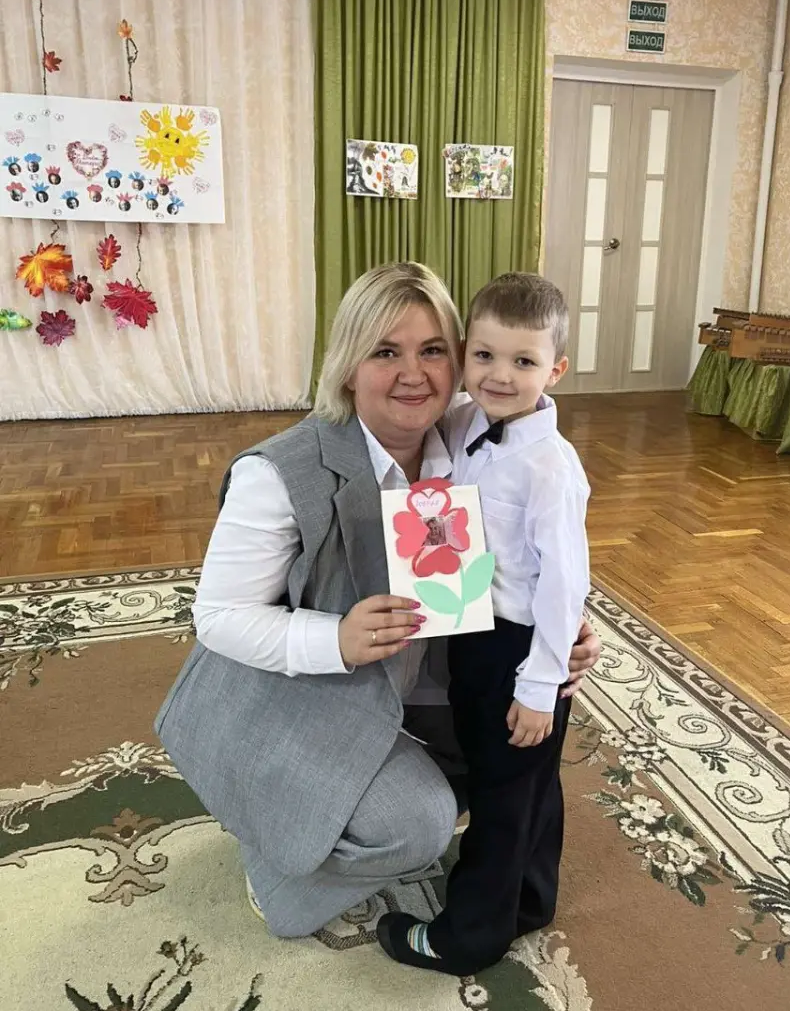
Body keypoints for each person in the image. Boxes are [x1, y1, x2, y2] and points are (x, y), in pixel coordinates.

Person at [154, 262, 601, 938]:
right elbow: (217, 617)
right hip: (302, 693)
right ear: (347, 366)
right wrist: (332, 639)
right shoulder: (278, 473)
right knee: (418, 825)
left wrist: (560, 631)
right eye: (386, 352)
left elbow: (530, 556)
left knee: (504, 764)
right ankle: (277, 863)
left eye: (433, 350)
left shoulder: (470, 438)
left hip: (424, 681)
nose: (413, 374)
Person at [377, 273, 590, 975]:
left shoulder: (551, 468)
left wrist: (540, 684)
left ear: (555, 370)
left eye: (523, 361)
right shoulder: (465, 419)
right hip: (471, 628)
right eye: (486, 356)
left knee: (504, 790)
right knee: (527, 781)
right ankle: (529, 898)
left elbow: (564, 584)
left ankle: (467, 934)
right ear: (466, 353)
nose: (500, 375)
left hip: (519, 650)